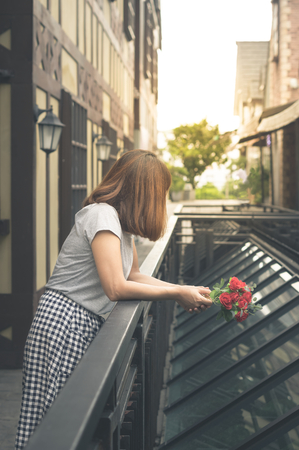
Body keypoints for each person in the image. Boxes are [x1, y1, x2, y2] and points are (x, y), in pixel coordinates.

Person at [15, 149, 212, 449]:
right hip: (64, 321)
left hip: (76, 320)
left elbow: (133, 275)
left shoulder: (119, 223)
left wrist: (183, 289)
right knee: (53, 423)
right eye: (159, 193)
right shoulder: (102, 216)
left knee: (63, 420)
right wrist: (175, 294)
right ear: (145, 190)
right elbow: (116, 288)